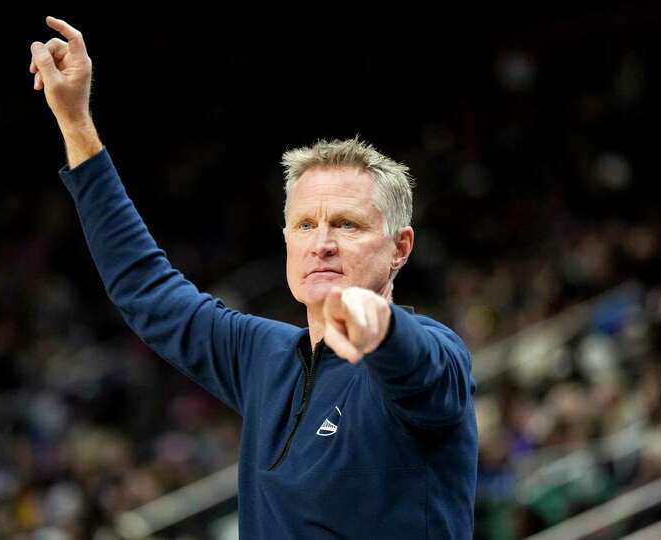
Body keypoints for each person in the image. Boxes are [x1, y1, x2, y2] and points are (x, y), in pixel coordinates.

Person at [30, 16, 477, 539]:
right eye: (306, 224)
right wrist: (75, 121)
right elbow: (145, 289)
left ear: (400, 248)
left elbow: (417, 366)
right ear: (286, 240)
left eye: (348, 225)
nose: (323, 241)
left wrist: (377, 324)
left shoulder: (439, 357)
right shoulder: (261, 356)